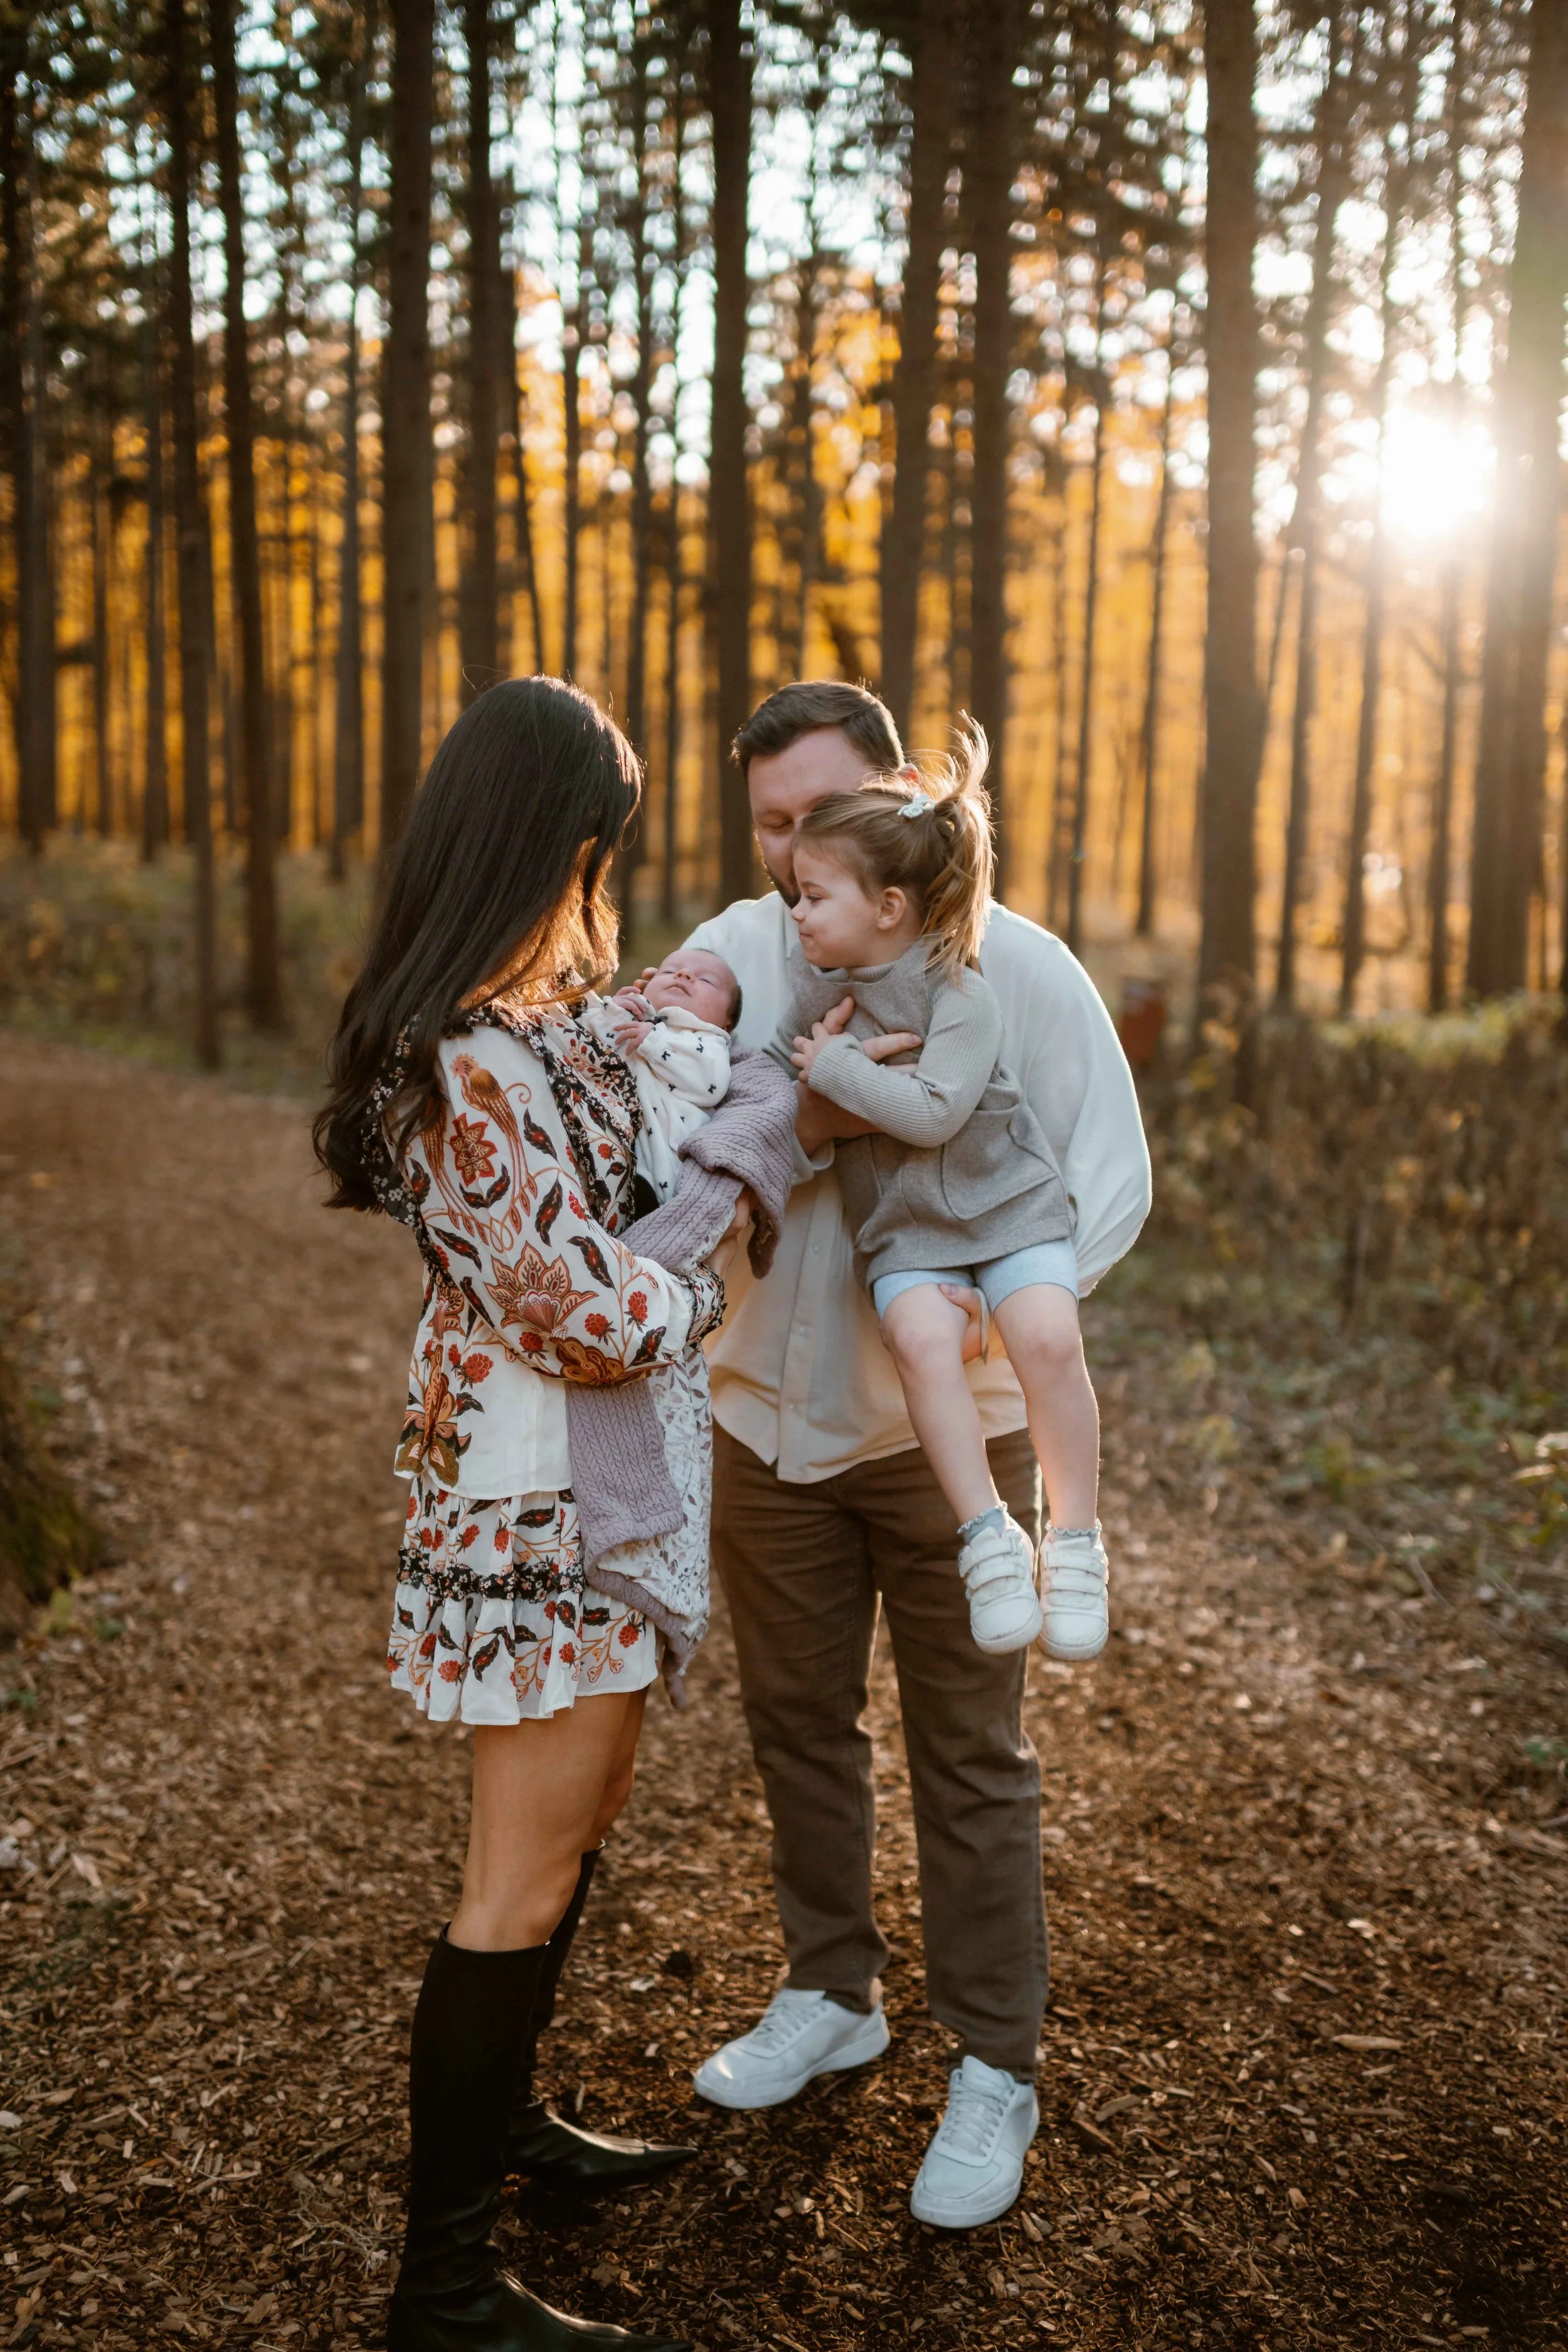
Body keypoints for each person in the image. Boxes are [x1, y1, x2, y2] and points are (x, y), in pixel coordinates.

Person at [682, 680, 1150, 2232]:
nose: (783, 853)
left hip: (949, 1431)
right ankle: (834, 1988)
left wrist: (990, 1315)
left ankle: (994, 2063)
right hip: (766, 1420)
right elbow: (663, 1153)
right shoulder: (746, 953)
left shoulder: (1019, 969)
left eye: (811, 820)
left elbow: (1103, 1175)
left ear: (891, 802)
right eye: (764, 827)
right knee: (799, 1723)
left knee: (973, 1748)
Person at [315, 679, 711, 2352]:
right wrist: (686, 1283)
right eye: (593, 836)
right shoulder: (460, 1061)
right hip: (532, 1502)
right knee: (516, 1874)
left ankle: (511, 2119)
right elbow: (567, 1299)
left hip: (579, 1490)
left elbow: (646, 1074)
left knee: (572, 1824)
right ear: (545, 838)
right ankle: (446, 2284)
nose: (598, 868)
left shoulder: (523, 1023)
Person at [773, 725, 1110, 1663]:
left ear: (887, 905)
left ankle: (1074, 1538)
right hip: (906, 1226)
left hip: (1008, 1202)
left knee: (1046, 1333)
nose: (796, 911)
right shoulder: (819, 995)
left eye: (813, 894)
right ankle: (989, 1540)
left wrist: (836, 1069)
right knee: (921, 1340)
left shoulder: (963, 992)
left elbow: (928, 1115)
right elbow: (775, 1083)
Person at [586, 946, 744, 1207]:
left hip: (660, 1175)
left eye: (706, 980)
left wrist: (655, 1041)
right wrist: (608, 1015)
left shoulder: (708, 1040)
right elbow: (584, 1051)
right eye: (669, 971)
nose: (683, 974)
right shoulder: (636, 1018)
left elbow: (710, 1085)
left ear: (726, 1023)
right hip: (607, 1147)